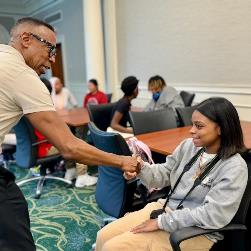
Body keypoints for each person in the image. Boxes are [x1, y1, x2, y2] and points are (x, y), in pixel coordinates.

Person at [0, 17, 138, 251]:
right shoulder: (22, 74)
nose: (53, 59)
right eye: (50, 48)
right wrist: (121, 160)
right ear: (25, 39)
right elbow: (69, 147)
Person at [96, 97, 248, 251]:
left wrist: (161, 222)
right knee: (103, 235)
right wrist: (140, 168)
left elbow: (212, 215)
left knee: (113, 247)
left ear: (221, 128)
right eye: (193, 124)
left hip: (198, 230)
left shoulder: (234, 167)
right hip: (166, 209)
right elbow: (165, 173)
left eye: (199, 126)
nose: (192, 130)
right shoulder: (188, 146)